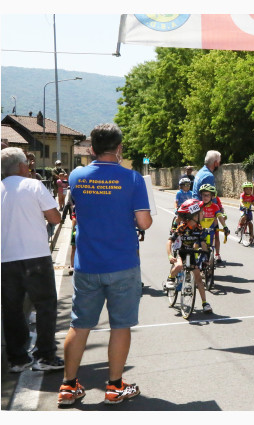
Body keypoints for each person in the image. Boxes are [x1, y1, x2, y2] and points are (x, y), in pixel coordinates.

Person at [59, 123, 152, 407]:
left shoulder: (76, 176)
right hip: (122, 263)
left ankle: (68, 386)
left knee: (79, 325)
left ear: (91, 149)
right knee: (120, 326)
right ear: (120, 148)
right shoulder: (132, 179)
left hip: (87, 264)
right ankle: (114, 387)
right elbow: (144, 222)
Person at [1, 147, 64, 373]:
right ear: (21, 166)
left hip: (6, 259)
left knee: (12, 309)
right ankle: (45, 355)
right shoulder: (34, 185)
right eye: (26, 163)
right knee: (45, 305)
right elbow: (55, 217)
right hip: (36, 255)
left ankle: (17, 358)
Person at [165, 199, 214, 313]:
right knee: (178, 266)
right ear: (194, 215)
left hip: (191, 254)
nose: (203, 214)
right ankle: (170, 278)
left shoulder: (199, 228)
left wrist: (206, 258)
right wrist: (169, 256)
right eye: (201, 213)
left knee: (198, 279)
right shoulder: (181, 227)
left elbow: (202, 243)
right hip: (180, 252)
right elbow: (169, 242)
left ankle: (205, 303)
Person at [198, 184, 230, 264]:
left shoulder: (215, 206)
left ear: (212, 196)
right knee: (197, 246)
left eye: (207, 195)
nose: (205, 197)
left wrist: (225, 226)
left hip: (211, 229)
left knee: (211, 245)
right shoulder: (199, 205)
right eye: (203, 195)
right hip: (200, 229)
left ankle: (213, 256)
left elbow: (219, 217)